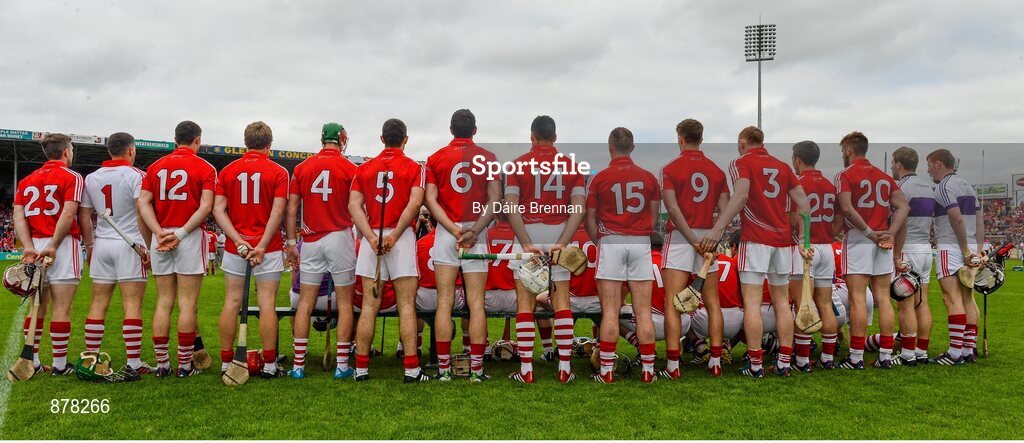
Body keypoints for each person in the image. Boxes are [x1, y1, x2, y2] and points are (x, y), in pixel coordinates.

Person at [701, 126, 812, 377]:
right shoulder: (783, 166)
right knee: (782, 303)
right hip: (782, 241)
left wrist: (718, 230)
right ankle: (784, 363)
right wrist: (805, 241)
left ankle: (755, 364)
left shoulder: (741, 163)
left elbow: (740, 196)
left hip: (755, 239)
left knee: (752, 304)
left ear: (742, 142)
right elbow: (804, 203)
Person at [504, 115, 587, 384]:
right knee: (561, 301)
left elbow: (511, 206)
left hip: (529, 229)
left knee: (526, 303)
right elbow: (578, 209)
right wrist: (563, 242)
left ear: (531, 136)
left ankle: (526, 370)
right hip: (558, 231)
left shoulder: (517, 165)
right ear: (555, 136)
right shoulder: (573, 166)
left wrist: (526, 241)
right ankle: (564, 368)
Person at [423, 109, 500, 381]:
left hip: (447, 233)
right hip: (475, 233)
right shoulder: (488, 158)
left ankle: (444, 370)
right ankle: (477, 370)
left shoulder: (435, 158)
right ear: (475, 130)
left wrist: (454, 229)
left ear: (451, 129)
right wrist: (475, 230)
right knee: (476, 303)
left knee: (444, 302)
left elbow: (430, 200)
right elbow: (495, 200)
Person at [349, 118, 427, 383]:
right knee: (406, 306)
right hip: (401, 237)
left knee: (369, 306)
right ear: (405, 139)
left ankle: (361, 369)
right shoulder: (414, 167)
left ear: (381, 138)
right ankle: (411, 369)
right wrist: (394, 235)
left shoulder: (365, 168)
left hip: (373, 237)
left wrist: (370, 237)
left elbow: (353, 206)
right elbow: (415, 204)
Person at [137, 120, 217, 377]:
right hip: (189, 236)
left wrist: (158, 231)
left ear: (175, 140)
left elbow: (144, 203)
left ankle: (162, 365)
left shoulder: (155, 166)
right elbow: (205, 207)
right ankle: (184, 365)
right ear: (198, 140)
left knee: (163, 302)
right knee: (187, 303)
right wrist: (180, 234)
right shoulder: (205, 167)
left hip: (161, 236)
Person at [212, 121, 289, 378]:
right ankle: (269, 365)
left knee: (232, 302)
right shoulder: (278, 172)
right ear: (270, 145)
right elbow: (277, 212)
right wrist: (262, 245)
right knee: (267, 304)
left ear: (245, 143)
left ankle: (226, 362)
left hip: (237, 247)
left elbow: (218, 210)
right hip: (269, 247)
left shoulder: (228, 171)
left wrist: (238, 240)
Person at [584, 127, 660, 384]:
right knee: (643, 311)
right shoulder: (648, 178)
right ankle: (648, 371)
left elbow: (590, 218)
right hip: (639, 241)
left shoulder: (599, 178)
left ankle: (606, 372)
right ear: (633, 147)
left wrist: (602, 240)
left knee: (610, 310)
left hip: (611, 241)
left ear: (610, 147)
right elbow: (654, 215)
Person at [284, 122, 359, 379]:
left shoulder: (303, 168)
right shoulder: (350, 168)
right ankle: (341, 365)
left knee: (305, 302)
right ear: (341, 139)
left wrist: (292, 243)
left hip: (312, 238)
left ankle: (298, 366)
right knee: (346, 303)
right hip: (340, 236)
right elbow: (357, 206)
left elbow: (292, 208)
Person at [77, 132, 152, 380]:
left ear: (109, 151)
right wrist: (147, 246)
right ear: (131, 150)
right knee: (132, 304)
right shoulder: (137, 176)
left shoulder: (92, 178)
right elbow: (142, 214)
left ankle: (91, 359)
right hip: (130, 244)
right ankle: (133, 363)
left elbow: (85, 215)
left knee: (98, 302)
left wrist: (90, 245)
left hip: (102, 244)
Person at [659, 118, 730, 378]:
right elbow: (725, 210)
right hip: (708, 238)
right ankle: (715, 362)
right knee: (713, 303)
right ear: (701, 139)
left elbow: (673, 209)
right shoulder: (717, 171)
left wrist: (691, 240)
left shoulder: (670, 168)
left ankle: (673, 366)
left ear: (680, 138)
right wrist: (712, 235)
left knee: (672, 303)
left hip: (682, 237)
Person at [834, 131, 910, 369]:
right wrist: (890, 232)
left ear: (848, 151)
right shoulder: (884, 176)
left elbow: (846, 209)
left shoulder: (844, 175)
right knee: (883, 299)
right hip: (883, 241)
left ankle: (855, 357)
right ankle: (885, 356)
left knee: (857, 299)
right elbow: (903, 206)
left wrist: (868, 232)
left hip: (860, 238)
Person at [12, 133, 83, 376]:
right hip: (62, 244)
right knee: (62, 307)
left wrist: (28, 246)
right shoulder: (72, 177)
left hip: (35, 244)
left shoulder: (26, 181)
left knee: (36, 307)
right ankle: (61, 365)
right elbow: (68, 213)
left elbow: (18, 216)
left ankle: (35, 361)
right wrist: (53, 244)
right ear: (66, 152)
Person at [927, 148, 985, 365]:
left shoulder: (943, 186)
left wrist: (965, 252)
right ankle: (968, 349)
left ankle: (954, 353)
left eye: (930, 165)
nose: (929, 170)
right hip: (969, 244)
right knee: (968, 298)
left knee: (951, 298)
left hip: (952, 246)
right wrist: (977, 250)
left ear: (939, 164)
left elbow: (956, 219)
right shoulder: (967, 185)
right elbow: (979, 221)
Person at [787, 141, 840, 371]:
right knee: (825, 304)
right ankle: (827, 359)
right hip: (826, 246)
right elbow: (839, 219)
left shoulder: (797, 183)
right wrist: (829, 234)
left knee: (802, 304)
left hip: (804, 246)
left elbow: (792, 217)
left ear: (798, 159)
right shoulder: (829, 184)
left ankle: (801, 361)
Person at [890, 146, 935, 365]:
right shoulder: (928, 186)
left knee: (905, 304)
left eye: (892, 163)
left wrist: (897, 254)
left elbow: (901, 220)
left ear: (898, 164)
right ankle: (921, 352)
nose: (891, 167)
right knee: (922, 302)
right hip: (925, 248)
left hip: (908, 248)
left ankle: (907, 355)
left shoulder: (901, 186)